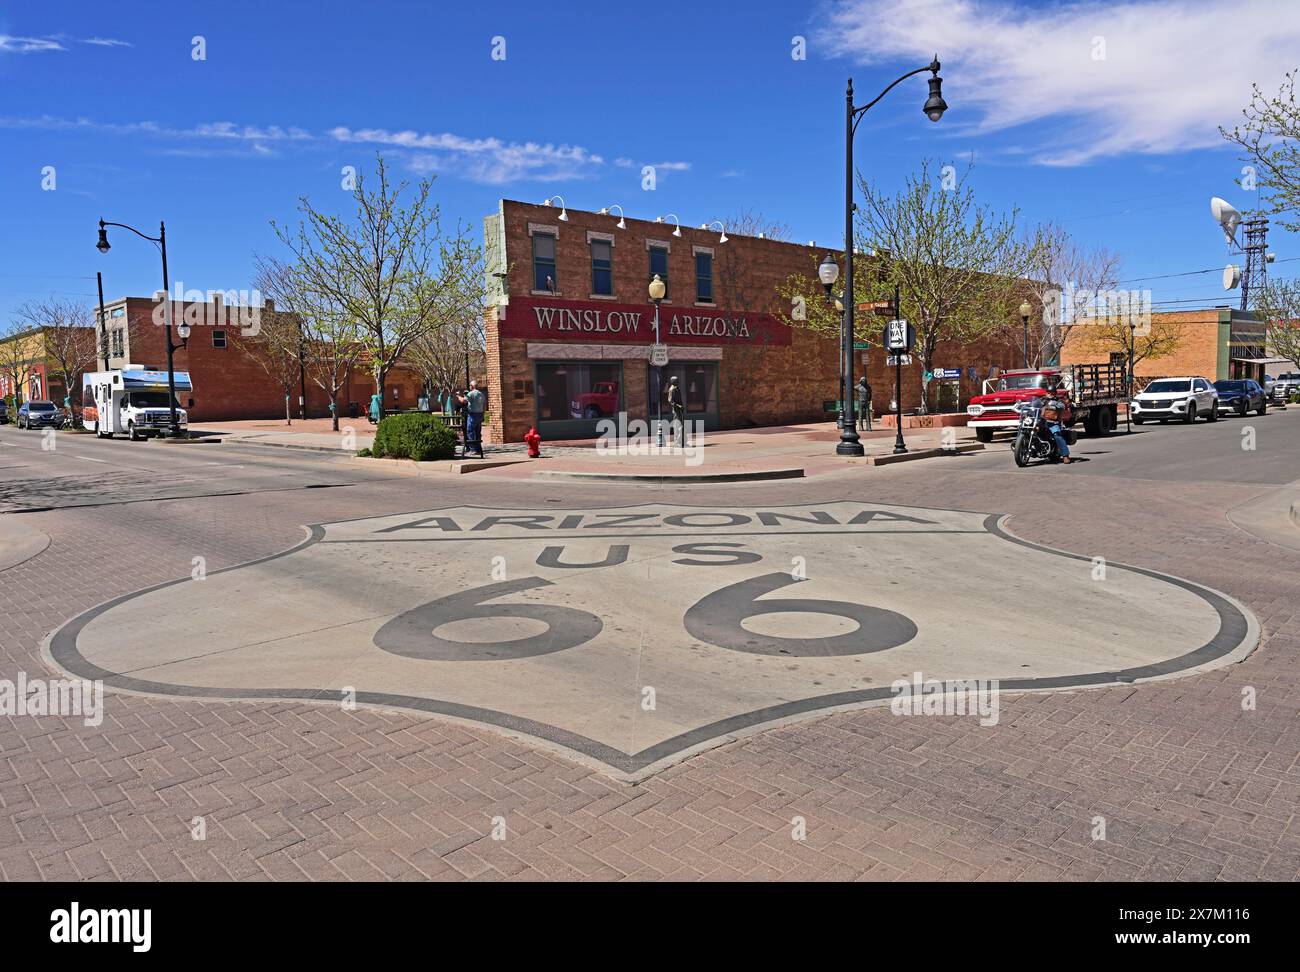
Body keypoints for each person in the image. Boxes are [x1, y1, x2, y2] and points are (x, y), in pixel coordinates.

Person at [456, 380, 486, 458]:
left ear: (472, 386)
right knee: (478, 432)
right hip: (480, 414)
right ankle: (478, 448)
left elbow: (463, 401)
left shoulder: (471, 393)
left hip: (472, 415)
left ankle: (473, 450)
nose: (469, 387)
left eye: (470, 385)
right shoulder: (481, 394)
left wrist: (458, 396)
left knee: (470, 431)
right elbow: (484, 406)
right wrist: (483, 415)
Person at [1041, 398, 1071, 464]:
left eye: (1051, 392)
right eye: (1048, 392)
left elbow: (1062, 406)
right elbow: (1034, 404)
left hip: (1053, 422)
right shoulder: (1043, 398)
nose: (1049, 394)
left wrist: (1054, 403)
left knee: (1057, 435)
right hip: (1042, 421)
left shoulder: (1058, 400)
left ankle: (1065, 455)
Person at [666, 376, 685, 446]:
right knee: (677, 426)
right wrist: (679, 406)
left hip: (679, 410)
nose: (678, 382)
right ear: (673, 381)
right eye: (676, 381)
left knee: (681, 425)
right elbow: (670, 401)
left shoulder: (677, 388)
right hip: (676, 410)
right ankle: (677, 442)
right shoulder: (672, 389)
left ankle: (681, 441)